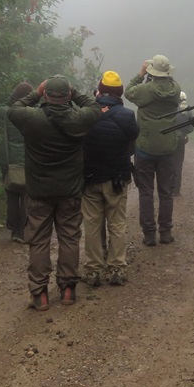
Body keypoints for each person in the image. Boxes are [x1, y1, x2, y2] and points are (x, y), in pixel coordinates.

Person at [7, 75, 106, 311]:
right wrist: (75, 91)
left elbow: (14, 108)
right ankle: (68, 290)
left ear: (46, 95)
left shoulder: (31, 119)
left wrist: (36, 92)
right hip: (70, 191)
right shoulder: (79, 119)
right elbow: (93, 106)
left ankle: (39, 294)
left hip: (39, 192)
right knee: (69, 238)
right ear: (68, 96)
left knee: (39, 241)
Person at [82, 71, 139, 287]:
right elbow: (133, 137)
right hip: (117, 179)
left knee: (92, 224)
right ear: (120, 93)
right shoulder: (126, 115)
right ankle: (117, 268)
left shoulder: (88, 113)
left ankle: (93, 270)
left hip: (90, 178)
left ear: (100, 90)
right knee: (117, 223)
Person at [124, 54, 182, 246]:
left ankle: (149, 234)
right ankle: (165, 232)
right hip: (168, 148)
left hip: (145, 148)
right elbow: (171, 85)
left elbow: (128, 92)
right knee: (166, 192)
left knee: (146, 192)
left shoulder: (145, 90)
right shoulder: (176, 90)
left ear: (152, 72)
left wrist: (141, 73)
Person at [0, 81, 33, 243]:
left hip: (9, 161)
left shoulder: (7, 113)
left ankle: (14, 231)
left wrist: (12, 97)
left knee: (12, 195)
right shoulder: (32, 114)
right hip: (28, 161)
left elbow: (3, 104)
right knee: (27, 196)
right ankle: (24, 230)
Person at [172, 91, 194, 197]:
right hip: (181, 139)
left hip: (170, 139)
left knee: (168, 163)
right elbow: (191, 127)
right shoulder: (188, 111)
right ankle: (176, 189)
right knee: (178, 164)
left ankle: (168, 187)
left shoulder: (172, 109)